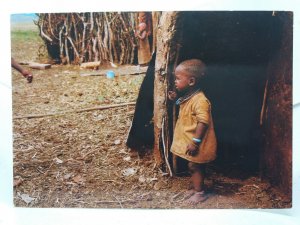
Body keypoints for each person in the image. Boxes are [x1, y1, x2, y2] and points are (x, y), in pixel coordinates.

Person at [168, 59, 217, 204]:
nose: (175, 81)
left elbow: (203, 122)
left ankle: (200, 193)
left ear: (191, 81)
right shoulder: (190, 96)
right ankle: (198, 187)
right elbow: (184, 105)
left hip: (199, 141)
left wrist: (195, 142)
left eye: (178, 78)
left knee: (195, 166)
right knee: (193, 165)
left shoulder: (200, 100)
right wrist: (175, 99)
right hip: (194, 140)